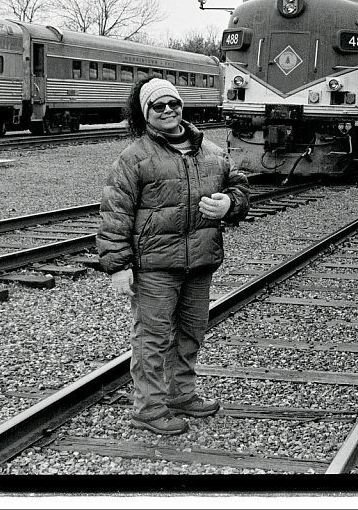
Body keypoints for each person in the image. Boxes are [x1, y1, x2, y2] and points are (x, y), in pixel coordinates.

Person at [97, 76, 250, 436]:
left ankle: (180, 395)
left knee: (191, 332)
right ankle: (148, 409)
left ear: (182, 106)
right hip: (154, 266)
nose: (167, 111)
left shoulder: (212, 153)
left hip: (200, 261)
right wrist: (118, 266)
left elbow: (240, 188)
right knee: (152, 338)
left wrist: (230, 203)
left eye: (173, 103)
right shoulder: (134, 157)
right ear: (145, 113)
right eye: (158, 106)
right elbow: (114, 212)